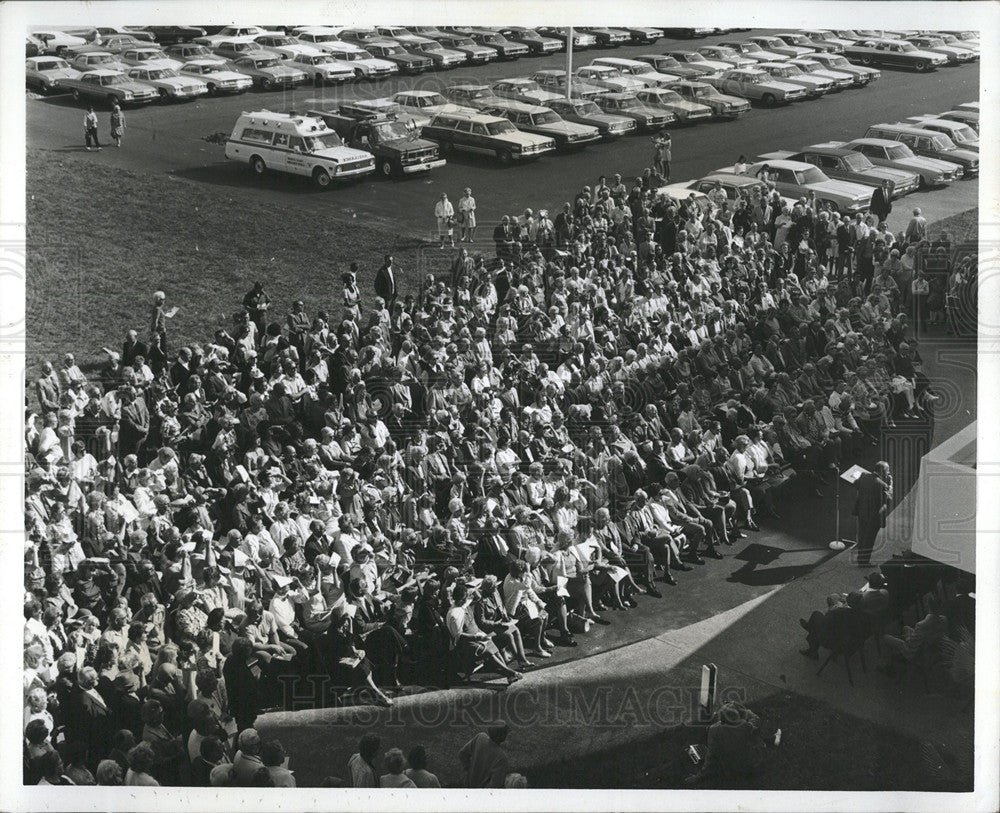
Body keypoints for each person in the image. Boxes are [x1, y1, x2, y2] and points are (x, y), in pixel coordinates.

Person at [685, 701, 777, 785]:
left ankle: (770, 740)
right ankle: (771, 740)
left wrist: (698, 776)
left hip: (729, 771)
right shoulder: (744, 726)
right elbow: (755, 718)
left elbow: (710, 756)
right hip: (749, 766)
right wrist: (743, 709)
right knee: (753, 733)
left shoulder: (714, 730)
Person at [853, 460, 892, 567]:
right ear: (883, 471)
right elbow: (888, 499)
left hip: (862, 511)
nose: (888, 472)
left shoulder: (863, 475)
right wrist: (890, 486)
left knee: (862, 536)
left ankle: (860, 558)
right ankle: (864, 562)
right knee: (869, 539)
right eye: (887, 470)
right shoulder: (882, 484)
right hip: (873, 516)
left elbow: (855, 484)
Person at [458, 722, 510, 788]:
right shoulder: (502, 758)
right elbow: (495, 786)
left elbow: (462, 754)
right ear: (502, 736)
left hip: (468, 785)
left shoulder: (480, 737)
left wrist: (468, 771)